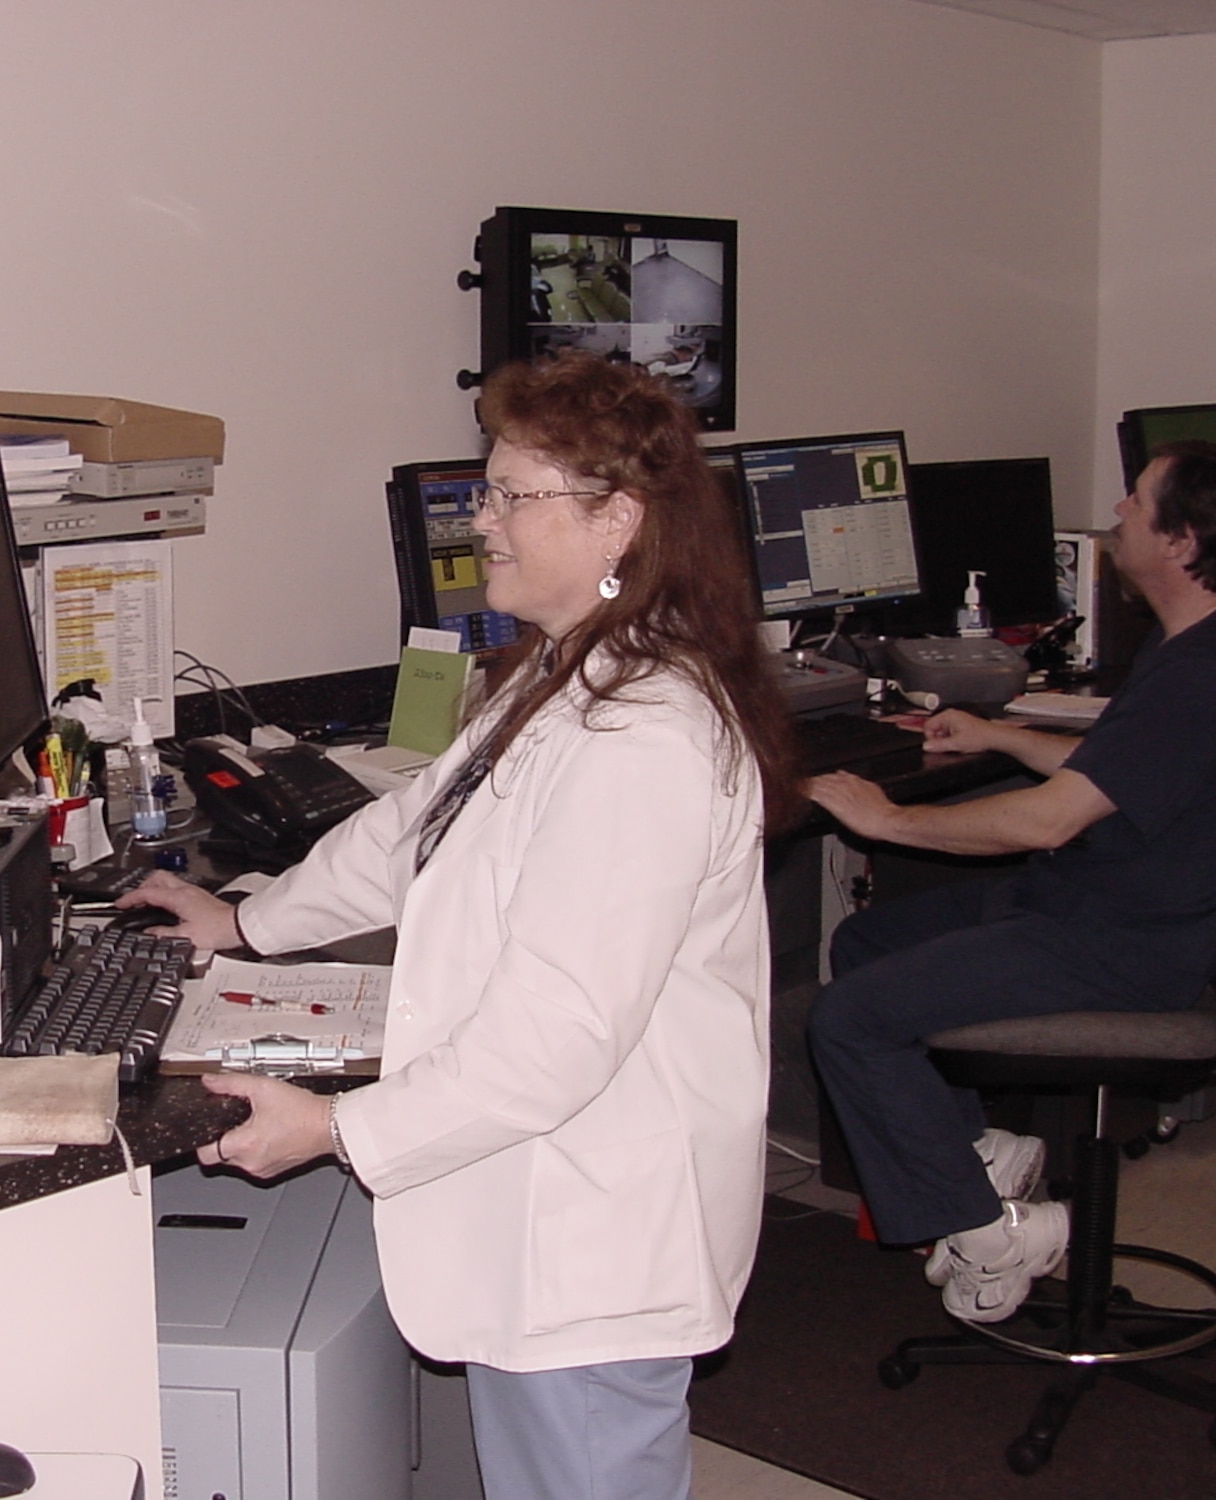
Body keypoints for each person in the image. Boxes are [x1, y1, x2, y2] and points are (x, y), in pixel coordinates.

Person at [119, 351, 795, 1500]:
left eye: (507, 496)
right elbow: (407, 833)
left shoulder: (644, 743)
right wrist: (244, 923)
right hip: (540, 1193)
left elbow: (556, 1037)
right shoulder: (554, 676)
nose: (478, 521)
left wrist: (339, 1131)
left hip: (587, 1224)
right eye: (483, 492)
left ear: (615, 521)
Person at [806, 440, 1216, 1324]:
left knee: (847, 1020)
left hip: (1121, 944)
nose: (1117, 513)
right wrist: (1000, 738)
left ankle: (986, 1231)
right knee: (867, 938)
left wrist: (888, 819)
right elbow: (1123, 764)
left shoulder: (1204, 676)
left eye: (1137, 502)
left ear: (1182, 542)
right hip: (1109, 901)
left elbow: (1046, 821)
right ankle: (972, 1156)